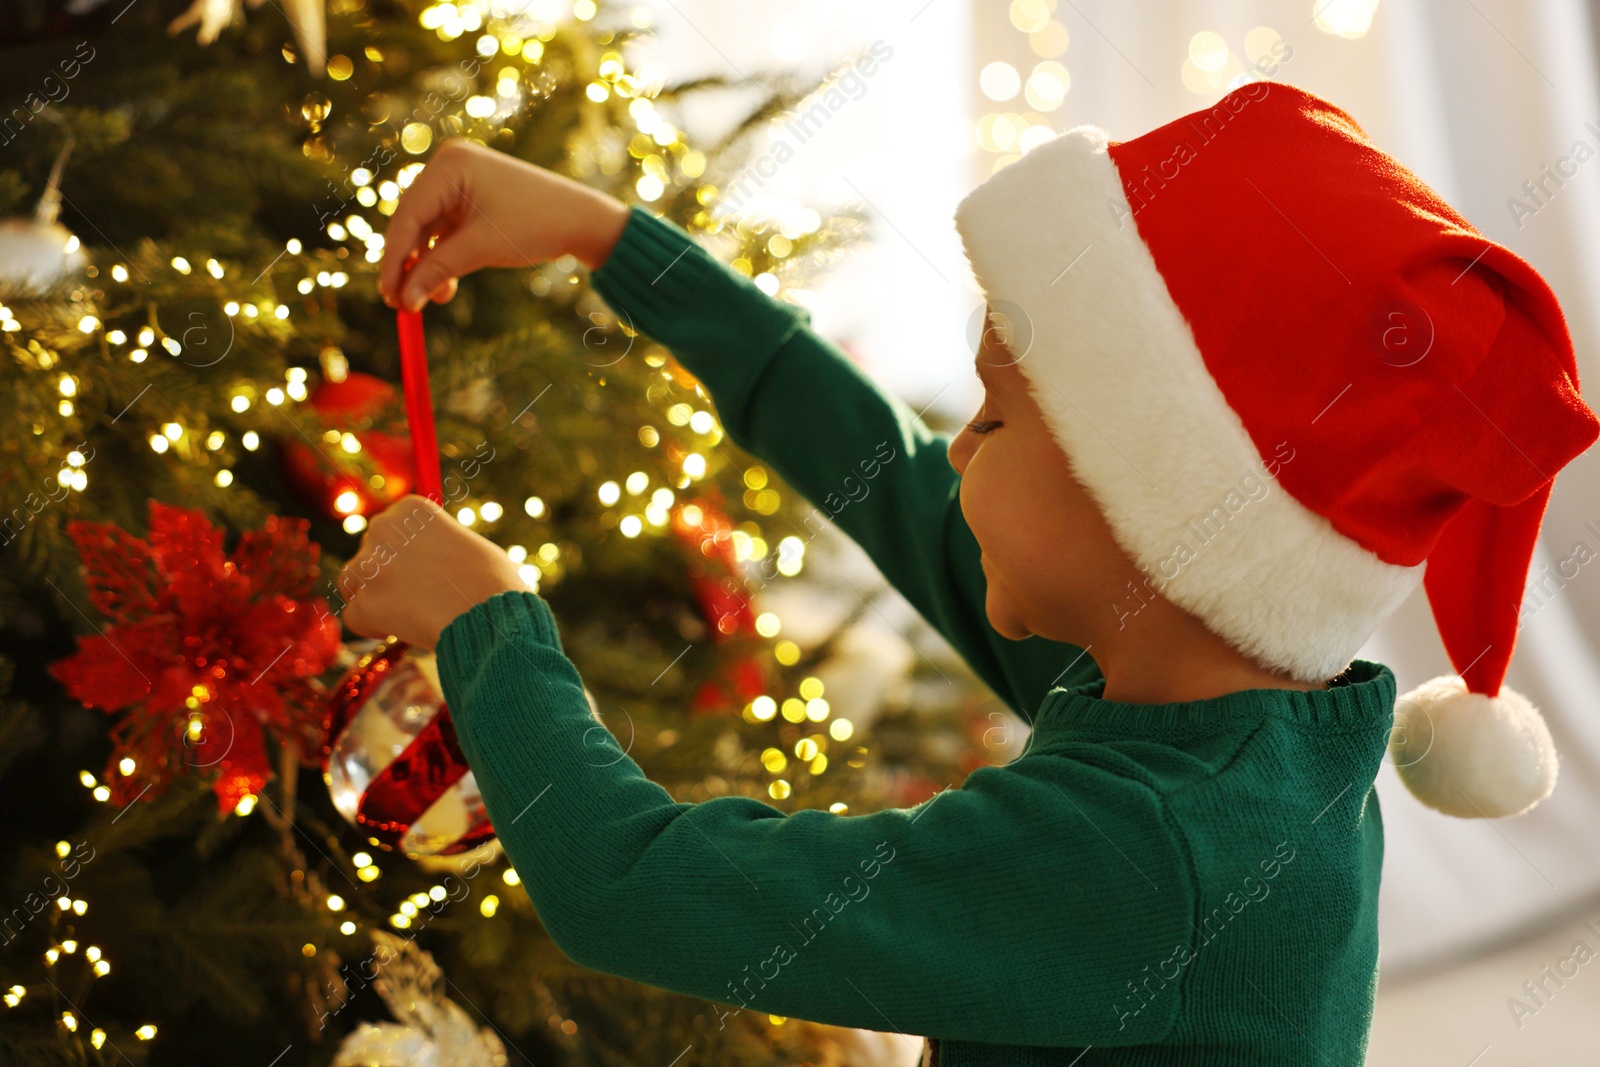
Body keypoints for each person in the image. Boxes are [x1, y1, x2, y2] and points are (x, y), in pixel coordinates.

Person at [339, 81, 1599, 1065]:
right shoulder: (1206, 687)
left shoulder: (1146, 849)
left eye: (994, 418)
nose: (957, 445)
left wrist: (487, 620)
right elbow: (876, 471)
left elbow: (632, 886)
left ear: (1144, 508)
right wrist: (609, 237)